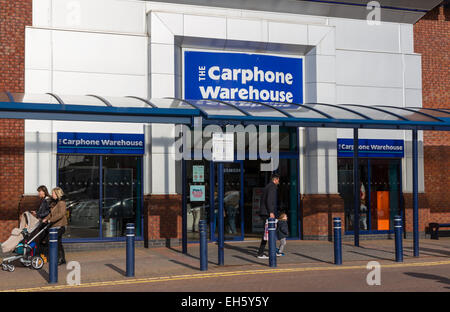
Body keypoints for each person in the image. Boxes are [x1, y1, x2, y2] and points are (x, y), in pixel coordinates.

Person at [256, 173, 279, 259]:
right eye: (278, 180)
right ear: (275, 179)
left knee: (268, 233)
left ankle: (271, 251)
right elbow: (269, 200)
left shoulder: (267, 187)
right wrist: (271, 212)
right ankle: (261, 253)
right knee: (267, 233)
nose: (278, 182)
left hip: (265, 212)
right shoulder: (272, 187)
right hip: (267, 213)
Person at [43, 187, 68, 265]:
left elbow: (61, 214)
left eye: (53, 193)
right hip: (55, 226)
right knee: (58, 243)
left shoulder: (61, 203)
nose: (52, 194)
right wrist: (45, 219)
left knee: (54, 241)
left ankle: (59, 258)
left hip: (60, 226)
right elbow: (51, 214)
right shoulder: (55, 203)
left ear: (57, 194)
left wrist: (51, 220)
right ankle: (62, 259)